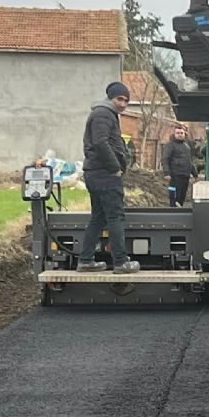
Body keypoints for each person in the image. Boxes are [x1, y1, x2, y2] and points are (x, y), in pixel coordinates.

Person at [76, 81, 140, 273]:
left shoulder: (105, 114)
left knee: (98, 217)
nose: (123, 104)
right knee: (116, 217)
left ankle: (86, 260)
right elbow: (101, 143)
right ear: (110, 98)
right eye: (119, 99)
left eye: (126, 101)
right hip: (104, 174)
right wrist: (115, 168)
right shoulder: (103, 114)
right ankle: (121, 262)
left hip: (96, 173)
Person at [162, 124, 195, 207]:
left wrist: (195, 174)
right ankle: (173, 207)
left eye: (181, 133)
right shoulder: (170, 145)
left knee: (182, 194)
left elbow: (190, 160)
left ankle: (180, 206)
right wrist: (166, 173)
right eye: (178, 133)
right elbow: (165, 159)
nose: (180, 135)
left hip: (185, 174)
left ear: (184, 134)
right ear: (174, 134)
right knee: (173, 192)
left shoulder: (187, 146)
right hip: (174, 175)